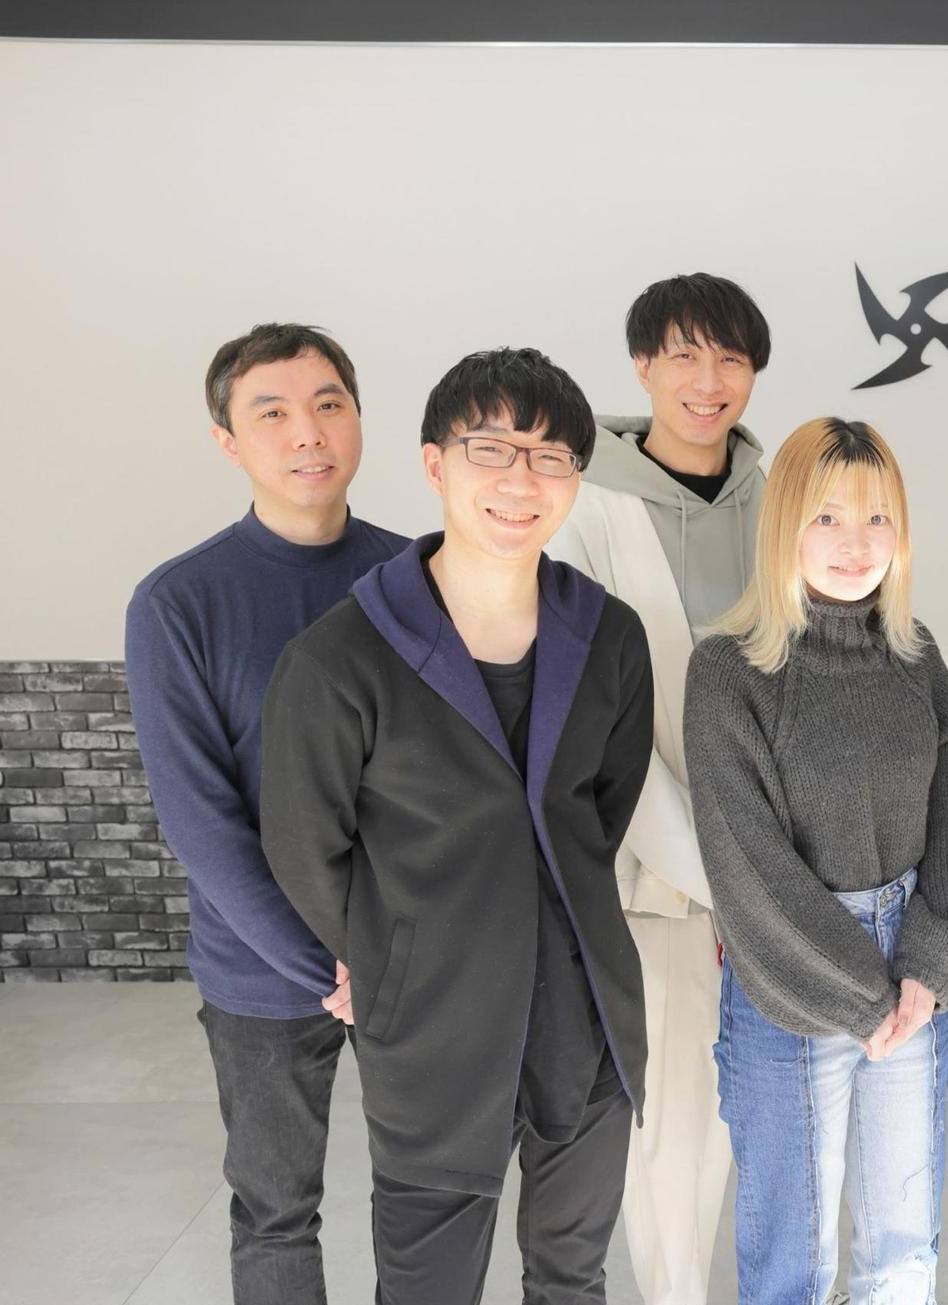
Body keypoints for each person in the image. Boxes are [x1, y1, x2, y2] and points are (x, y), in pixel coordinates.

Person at [260, 348, 654, 1305]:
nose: (522, 480)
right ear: (435, 463)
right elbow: (304, 842)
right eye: (491, 448)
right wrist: (385, 952)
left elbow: (602, 808)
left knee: (572, 1276)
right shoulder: (342, 656)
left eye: (551, 456)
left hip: (584, 1015)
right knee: (427, 1285)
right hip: (433, 1021)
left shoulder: (608, 635)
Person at [125, 322, 406, 1305]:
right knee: (276, 1207)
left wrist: (390, 951)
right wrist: (325, 964)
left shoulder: (420, 579)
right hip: (261, 967)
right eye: (272, 412)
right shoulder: (178, 602)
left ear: (358, 417)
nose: (308, 432)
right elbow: (200, 819)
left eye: (329, 404)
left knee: (427, 1194)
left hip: (409, 954)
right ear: (227, 440)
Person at [682, 417, 948, 1304]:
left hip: (913, 970)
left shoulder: (917, 655)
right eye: (828, 517)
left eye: (877, 518)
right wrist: (865, 993)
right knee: (792, 1262)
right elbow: (749, 865)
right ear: (785, 521)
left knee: (902, 1248)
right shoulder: (728, 670)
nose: (857, 544)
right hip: (791, 979)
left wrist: (927, 964)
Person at [545, 271, 770, 1305]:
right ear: (642, 366)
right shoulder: (588, 511)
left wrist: (774, 881)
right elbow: (595, 732)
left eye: (730, 358)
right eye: (683, 354)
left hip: (778, 875)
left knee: (769, 1125)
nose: (707, 379)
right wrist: (720, 879)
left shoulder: (782, 500)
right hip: (654, 879)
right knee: (670, 1127)